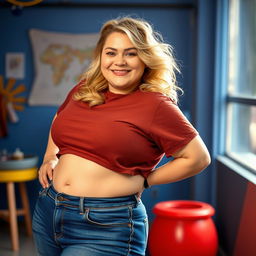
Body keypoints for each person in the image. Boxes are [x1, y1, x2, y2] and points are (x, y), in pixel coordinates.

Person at [32, 16, 211, 256]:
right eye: (111, 53)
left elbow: (198, 158)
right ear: (101, 56)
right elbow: (59, 119)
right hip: (48, 209)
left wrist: (147, 180)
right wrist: (49, 156)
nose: (119, 62)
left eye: (131, 53)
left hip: (107, 224)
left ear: (145, 58)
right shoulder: (84, 89)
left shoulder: (156, 105)